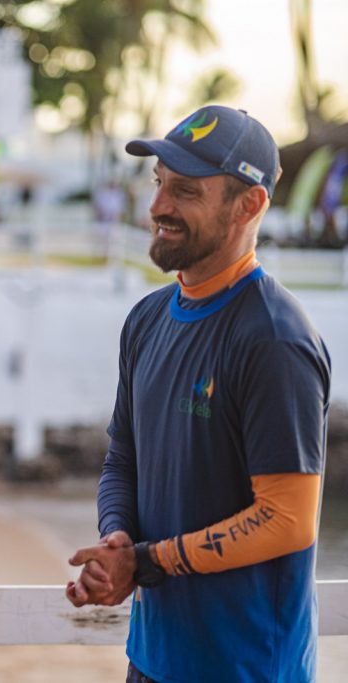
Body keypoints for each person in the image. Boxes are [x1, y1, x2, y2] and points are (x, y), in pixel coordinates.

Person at [65, 105, 331, 683]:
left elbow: (288, 519)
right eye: (159, 183)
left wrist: (148, 560)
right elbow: (123, 458)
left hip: (248, 669)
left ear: (249, 205)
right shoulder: (147, 319)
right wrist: (117, 539)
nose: (158, 206)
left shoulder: (274, 338)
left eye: (185, 191)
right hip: (152, 659)